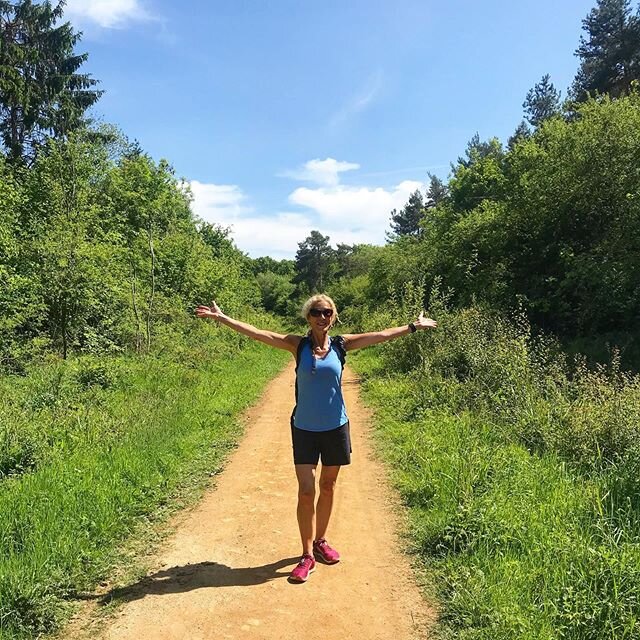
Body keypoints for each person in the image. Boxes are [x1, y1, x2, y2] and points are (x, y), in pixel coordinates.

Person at [195, 294, 437, 582]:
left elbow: (381, 335)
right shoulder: (298, 345)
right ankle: (307, 554)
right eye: (317, 312)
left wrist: (412, 326)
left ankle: (321, 541)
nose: (322, 317)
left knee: (329, 485)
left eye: (327, 312)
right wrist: (223, 319)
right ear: (308, 317)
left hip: (336, 427)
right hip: (305, 428)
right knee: (307, 490)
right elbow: (259, 333)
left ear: (333, 317)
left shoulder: (341, 345)